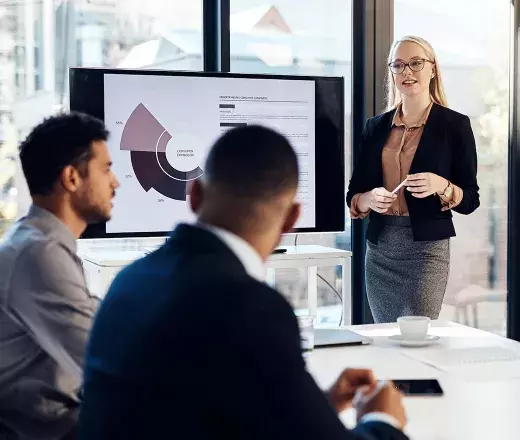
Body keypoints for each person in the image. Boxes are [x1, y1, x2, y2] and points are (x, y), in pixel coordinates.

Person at [78, 125, 408, 440]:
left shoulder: (131, 280)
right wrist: (382, 418)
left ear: (194, 195)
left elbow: (190, 408)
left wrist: (315, 404)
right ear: (292, 219)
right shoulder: (250, 307)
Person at [0, 112, 119, 439]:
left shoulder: (39, 243)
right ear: (71, 178)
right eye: (106, 169)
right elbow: (102, 358)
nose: (115, 182)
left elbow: (93, 318)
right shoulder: (39, 253)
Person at [346, 35, 480, 323]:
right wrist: (369, 198)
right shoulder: (375, 126)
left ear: (432, 69)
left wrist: (441, 186)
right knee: (386, 339)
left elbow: (470, 199)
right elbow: (354, 193)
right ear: (391, 72)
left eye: (416, 63)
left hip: (426, 251)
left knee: (418, 336)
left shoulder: (455, 125)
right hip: (381, 249)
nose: (407, 72)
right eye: (398, 65)